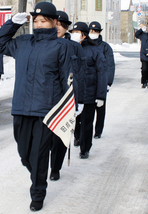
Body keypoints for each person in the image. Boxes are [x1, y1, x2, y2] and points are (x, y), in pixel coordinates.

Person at [0, 2, 74, 211]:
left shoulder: (61, 46)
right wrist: (12, 24)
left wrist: (70, 106)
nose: (39, 25)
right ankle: (38, 175)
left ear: (54, 22)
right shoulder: (22, 42)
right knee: (24, 153)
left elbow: (67, 78)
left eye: (44, 21)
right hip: (21, 107)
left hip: (46, 110)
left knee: (39, 154)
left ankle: (38, 193)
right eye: (36, 21)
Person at [48, 10, 85, 181]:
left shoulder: (75, 47)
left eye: (61, 25)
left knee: (60, 137)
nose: (57, 28)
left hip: (65, 98)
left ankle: (55, 167)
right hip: (45, 96)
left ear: (67, 27)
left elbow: (80, 74)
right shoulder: (43, 43)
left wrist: (80, 100)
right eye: (54, 24)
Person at [70, 22, 107, 159]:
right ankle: (77, 137)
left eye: (77, 32)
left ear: (84, 35)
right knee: (75, 120)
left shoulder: (95, 50)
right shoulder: (69, 48)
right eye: (73, 32)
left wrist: (101, 95)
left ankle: (85, 148)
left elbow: (102, 72)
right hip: (73, 93)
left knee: (86, 122)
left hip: (89, 94)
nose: (74, 35)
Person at [88, 21, 115, 138]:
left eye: (95, 31)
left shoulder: (105, 47)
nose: (93, 33)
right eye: (91, 31)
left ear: (99, 33)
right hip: (87, 82)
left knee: (100, 107)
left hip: (101, 82)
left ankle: (98, 131)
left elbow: (110, 65)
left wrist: (108, 82)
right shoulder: (84, 45)